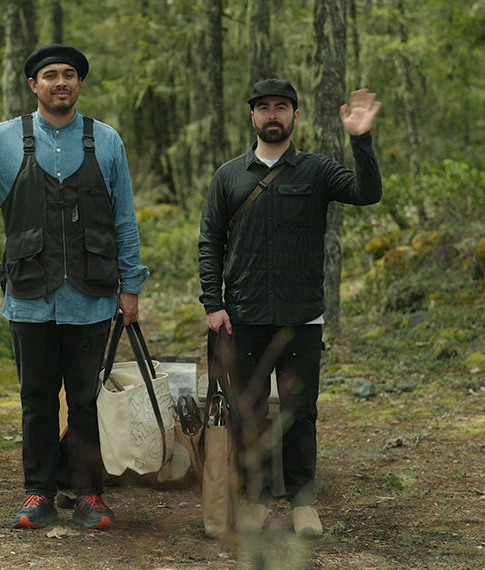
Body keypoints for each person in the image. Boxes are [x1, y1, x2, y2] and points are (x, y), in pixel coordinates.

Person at [0, 44, 148, 530]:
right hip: (29, 296)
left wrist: (130, 285)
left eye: (69, 74)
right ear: (34, 85)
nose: (61, 82)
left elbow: (124, 220)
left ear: (78, 83)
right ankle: (39, 493)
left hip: (92, 297)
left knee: (88, 399)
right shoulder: (2, 140)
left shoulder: (106, 141)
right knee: (36, 398)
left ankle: (90, 494)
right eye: (50, 75)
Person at [198, 78, 382, 538]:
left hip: (302, 315)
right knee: (249, 413)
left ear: (295, 116)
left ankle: (303, 503)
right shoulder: (228, 175)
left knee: (300, 411)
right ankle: (256, 500)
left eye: (282, 107)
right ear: (253, 117)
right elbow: (210, 243)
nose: (273, 115)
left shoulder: (317, 171)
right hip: (244, 316)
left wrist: (360, 139)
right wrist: (213, 303)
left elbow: (367, 193)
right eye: (264, 108)